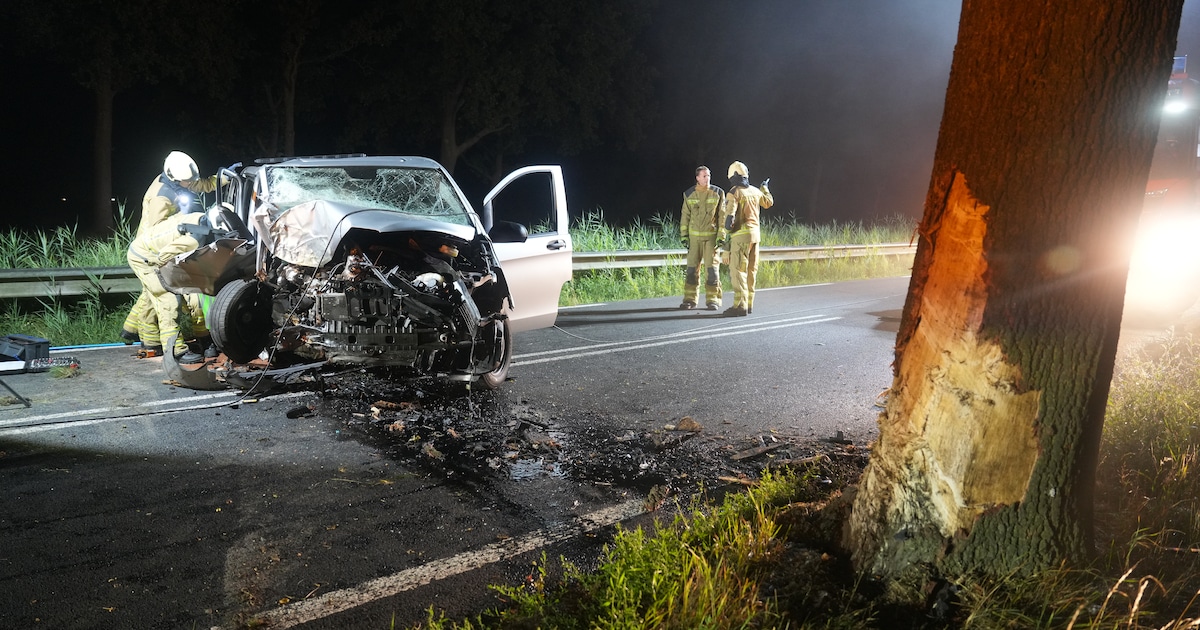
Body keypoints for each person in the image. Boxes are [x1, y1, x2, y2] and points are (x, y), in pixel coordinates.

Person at [120, 151, 218, 355]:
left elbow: (197, 184)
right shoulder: (161, 197)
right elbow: (158, 230)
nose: (190, 184)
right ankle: (152, 340)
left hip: (171, 238)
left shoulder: (178, 181)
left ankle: (134, 332)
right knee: (159, 295)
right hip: (154, 244)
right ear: (174, 178)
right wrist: (162, 259)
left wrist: (220, 180)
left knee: (152, 293)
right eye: (186, 181)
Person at [126, 210, 222, 363]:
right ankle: (176, 351)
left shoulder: (201, 220)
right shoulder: (194, 239)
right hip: (146, 258)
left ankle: (153, 343)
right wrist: (173, 282)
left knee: (194, 295)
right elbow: (164, 257)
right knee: (168, 300)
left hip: (154, 252)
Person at [721, 161, 773, 317]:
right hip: (755, 237)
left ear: (733, 177)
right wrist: (765, 188)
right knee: (751, 271)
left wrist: (725, 248)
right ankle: (749, 304)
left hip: (740, 237)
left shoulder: (734, 193)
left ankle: (740, 306)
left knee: (738, 272)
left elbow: (729, 222)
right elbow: (769, 202)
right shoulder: (756, 191)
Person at [678, 165, 726, 310]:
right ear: (697, 178)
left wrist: (721, 236)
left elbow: (722, 216)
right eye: (704, 176)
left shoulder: (718, 193)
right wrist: (684, 236)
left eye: (709, 175)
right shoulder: (689, 194)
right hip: (694, 239)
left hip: (711, 239)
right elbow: (685, 216)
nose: (707, 178)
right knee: (692, 270)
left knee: (712, 270)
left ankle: (713, 300)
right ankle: (690, 300)